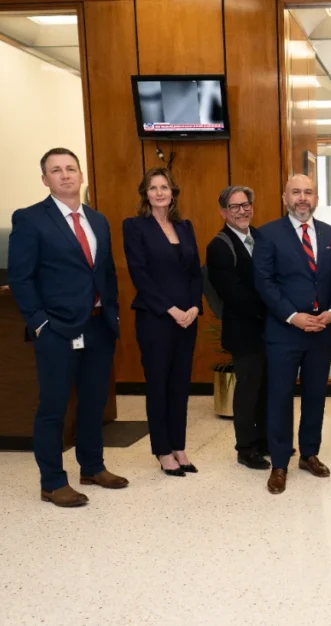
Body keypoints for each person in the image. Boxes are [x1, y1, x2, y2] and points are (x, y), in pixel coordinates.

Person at [7, 147, 128, 507]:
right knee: (54, 407)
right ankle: (52, 481)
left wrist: (112, 315)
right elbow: (20, 277)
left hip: (97, 326)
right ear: (45, 180)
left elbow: (105, 273)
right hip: (57, 329)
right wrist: (39, 323)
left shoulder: (98, 220)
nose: (65, 175)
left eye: (71, 168)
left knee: (93, 403)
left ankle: (92, 466)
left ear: (81, 175)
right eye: (56, 170)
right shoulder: (30, 219)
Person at [252, 174, 331, 495]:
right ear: (284, 197)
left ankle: (309, 454)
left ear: (316, 198)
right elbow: (264, 282)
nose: (302, 198)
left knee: (316, 396)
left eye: (308, 192)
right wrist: (294, 317)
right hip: (284, 332)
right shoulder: (267, 234)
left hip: (322, 331)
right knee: (279, 397)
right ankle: (279, 463)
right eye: (296, 192)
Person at [123, 168, 202, 477]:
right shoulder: (134, 227)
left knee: (180, 384)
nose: (159, 192)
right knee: (158, 384)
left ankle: (179, 446)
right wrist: (170, 309)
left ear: (173, 192)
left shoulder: (185, 226)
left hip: (188, 318)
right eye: (153, 188)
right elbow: (139, 274)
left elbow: (195, 271)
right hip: (156, 317)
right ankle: (162, 450)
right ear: (145, 194)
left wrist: (195, 306)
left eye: (164, 187)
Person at [206, 185, 272, 471]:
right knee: (248, 391)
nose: (242, 211)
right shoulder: (219, 246)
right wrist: (272, 309)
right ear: (223, 212)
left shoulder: (261, 237)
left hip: (269, 329)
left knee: (268, 388)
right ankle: (245, 448)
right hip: (244, 331)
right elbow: (232, 293)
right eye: (234, 207)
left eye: (246, 204)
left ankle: (265, 441)